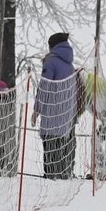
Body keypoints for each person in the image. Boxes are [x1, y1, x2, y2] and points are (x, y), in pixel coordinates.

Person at [32, 32, 80, 180]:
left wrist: (36, 110)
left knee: (50, 151)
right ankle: (61, 175)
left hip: (52, 116)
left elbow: (44, 88)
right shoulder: (70, 65)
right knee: (60, 153)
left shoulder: (51, 62)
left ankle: (51, 177)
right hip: (66, 118)